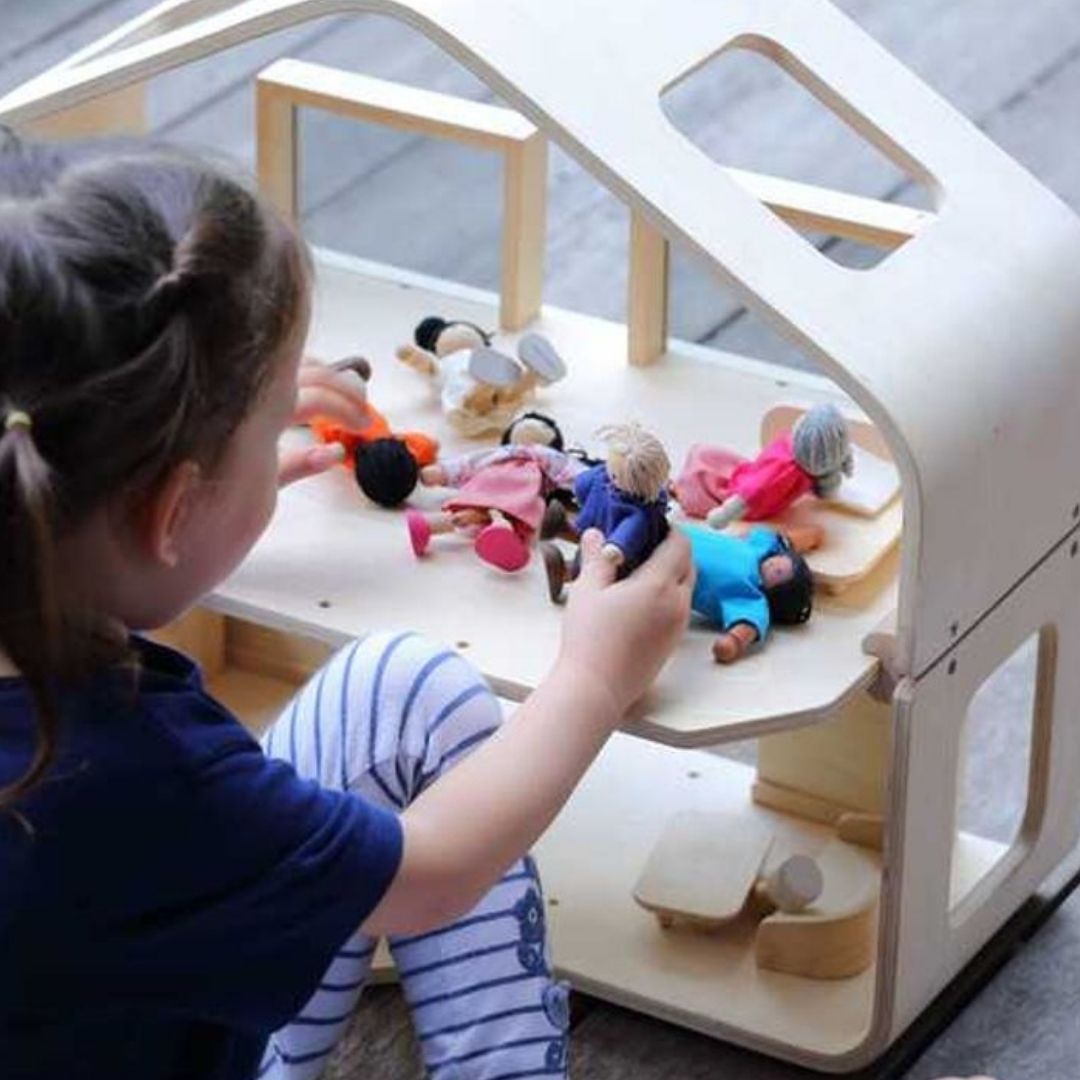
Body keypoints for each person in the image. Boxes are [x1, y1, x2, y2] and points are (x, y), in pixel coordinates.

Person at [0, 131, 693, 1080]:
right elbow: (434, 874)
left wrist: (216, 457)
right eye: (270, 422)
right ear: (171, 509)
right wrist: (593, 679)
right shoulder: (144, 783)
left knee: (403, 688)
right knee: (425, 709)